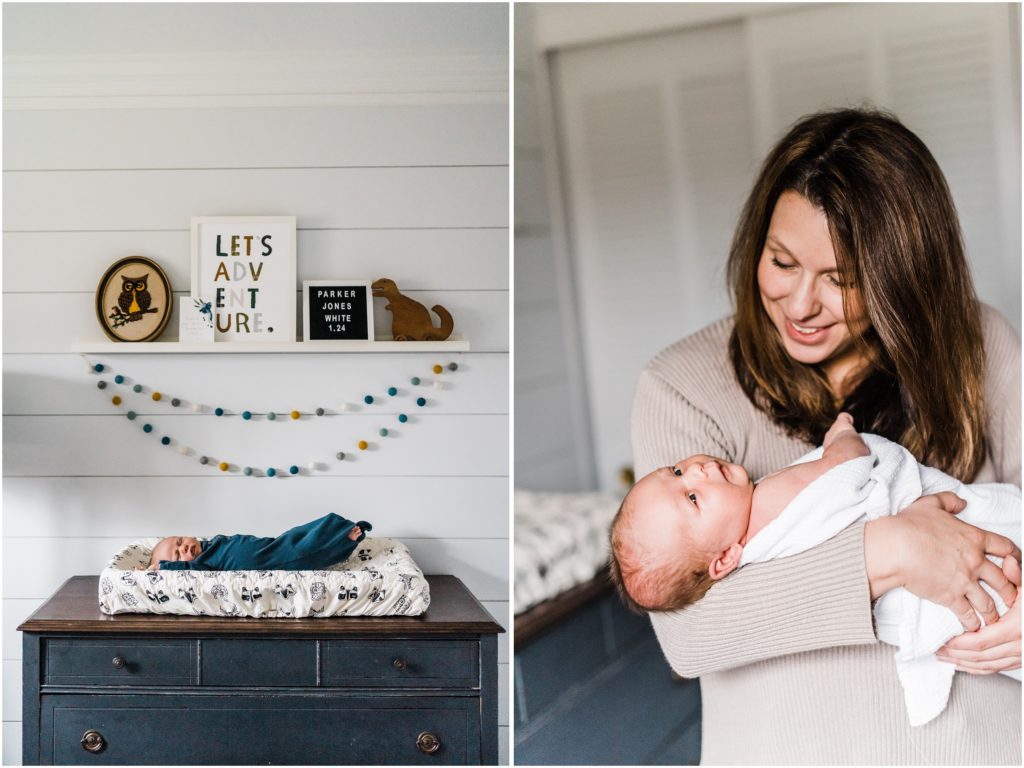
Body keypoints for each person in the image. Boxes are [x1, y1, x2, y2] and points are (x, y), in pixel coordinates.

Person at [631, 108, 1021, 763]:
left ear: (904, 273)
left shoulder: (978, 344)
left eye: (841, 280)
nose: (801, 304)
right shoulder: (682, 386)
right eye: (781, 262)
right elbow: (689, 631)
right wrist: (888, 552)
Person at [613, 412, 1021, 727]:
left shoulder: (750, 544)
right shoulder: (770, 498)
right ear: (723, 560)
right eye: (692, 498)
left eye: (677, 471)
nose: (697, 471)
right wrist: (842, 435)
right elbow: (849, 471)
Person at [142, 513, 371, 571]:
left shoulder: (210, 544)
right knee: (303, 553)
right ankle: (346, 538)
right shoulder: (200, 566)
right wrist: (160, 568)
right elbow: (187, 572)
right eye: (178, 554)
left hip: (269, 545)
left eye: (180, 541)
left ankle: (339, 526)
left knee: (298, 533)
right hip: (269, 561)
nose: (184, 548)